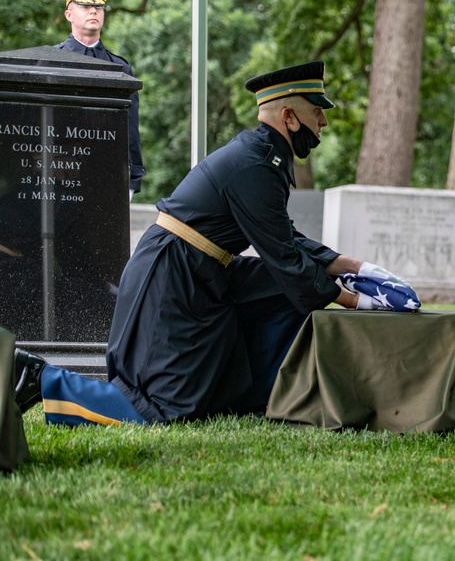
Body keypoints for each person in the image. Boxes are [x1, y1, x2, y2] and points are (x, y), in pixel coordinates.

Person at [12, 61, 419, 426]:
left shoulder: (266, 157)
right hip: (172, 275)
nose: (323, 124)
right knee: (162, 406)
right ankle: (44, 378)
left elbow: (284, 237)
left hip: (202, 266)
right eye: (317, 113)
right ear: (290, 117)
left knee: (280, 289)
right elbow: (281, 253)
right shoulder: (256, 164)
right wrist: (356, 300)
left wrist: (355, 268)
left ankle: (267, 394)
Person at [55, 0, 146, 198]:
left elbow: (130, 127)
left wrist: (133, 177)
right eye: (85, 5)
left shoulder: (120, 68)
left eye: (98, 6)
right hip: (59, 174)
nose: (93, 11)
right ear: (69, 14)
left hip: (107, 176)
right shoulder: (52, 61)